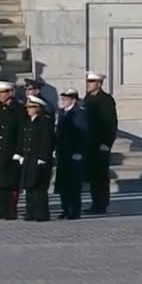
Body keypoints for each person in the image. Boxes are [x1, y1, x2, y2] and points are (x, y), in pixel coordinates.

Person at [0, 81, 23, 220]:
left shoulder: (18, 109)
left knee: (10, 182)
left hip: (10, 150)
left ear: (10, 93)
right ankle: (1, 208)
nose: (0, 95)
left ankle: (10, 209)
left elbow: (21, 132)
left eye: (3, 92)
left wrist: (19, 151)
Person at [83, 71, 117, 215]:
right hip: (89, 143)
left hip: (101, 144)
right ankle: (95, 203)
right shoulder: (88, 98)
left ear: (99, 84)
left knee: (101, 176)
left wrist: (107, 143)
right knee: (92, 176)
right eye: (88, 82)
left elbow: (111, 123)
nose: (88, 85)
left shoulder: (106, 99)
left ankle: (102, 204)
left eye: (91, 82)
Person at [54, 88, 89, 220]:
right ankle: (65, 208)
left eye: (66, 99)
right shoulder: (63, 112)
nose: (63, 101)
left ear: (73, 100)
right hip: (63, 153)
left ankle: (74, 210)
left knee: (74, 184)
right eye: (63, 99)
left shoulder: (79, 113)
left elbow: (83, 134)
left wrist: (79, 152)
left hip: (74, 154)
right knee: (63, 184)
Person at [20, 95, 55, 222]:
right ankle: (30, 212)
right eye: (27, 107)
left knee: (39, 188)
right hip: (29, 158)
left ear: (38, 108)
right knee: (29, 186)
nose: (28, 110)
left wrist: (43, 157)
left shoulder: (44, 121)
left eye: (31, 107)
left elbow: (47, 140)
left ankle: (41, 213)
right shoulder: (29, 122)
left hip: (39, 159)